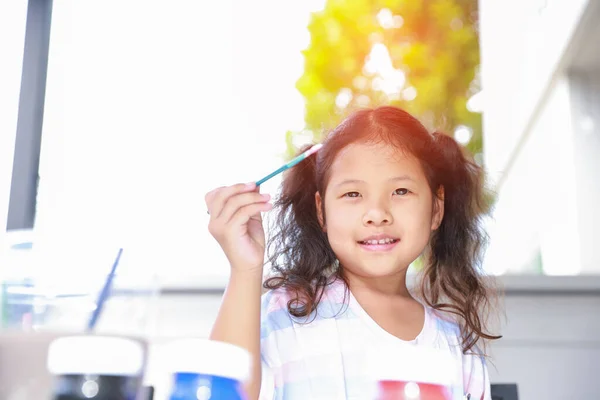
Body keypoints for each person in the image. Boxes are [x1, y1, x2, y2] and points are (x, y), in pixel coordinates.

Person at [205, 106, 501, 400]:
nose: (376, 214)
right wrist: (245, 268)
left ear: (436, 209)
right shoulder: (286, 313)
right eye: (353, 194)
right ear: (322, 211)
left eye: (400, 191)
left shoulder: (458, 347)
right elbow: (221, 391)